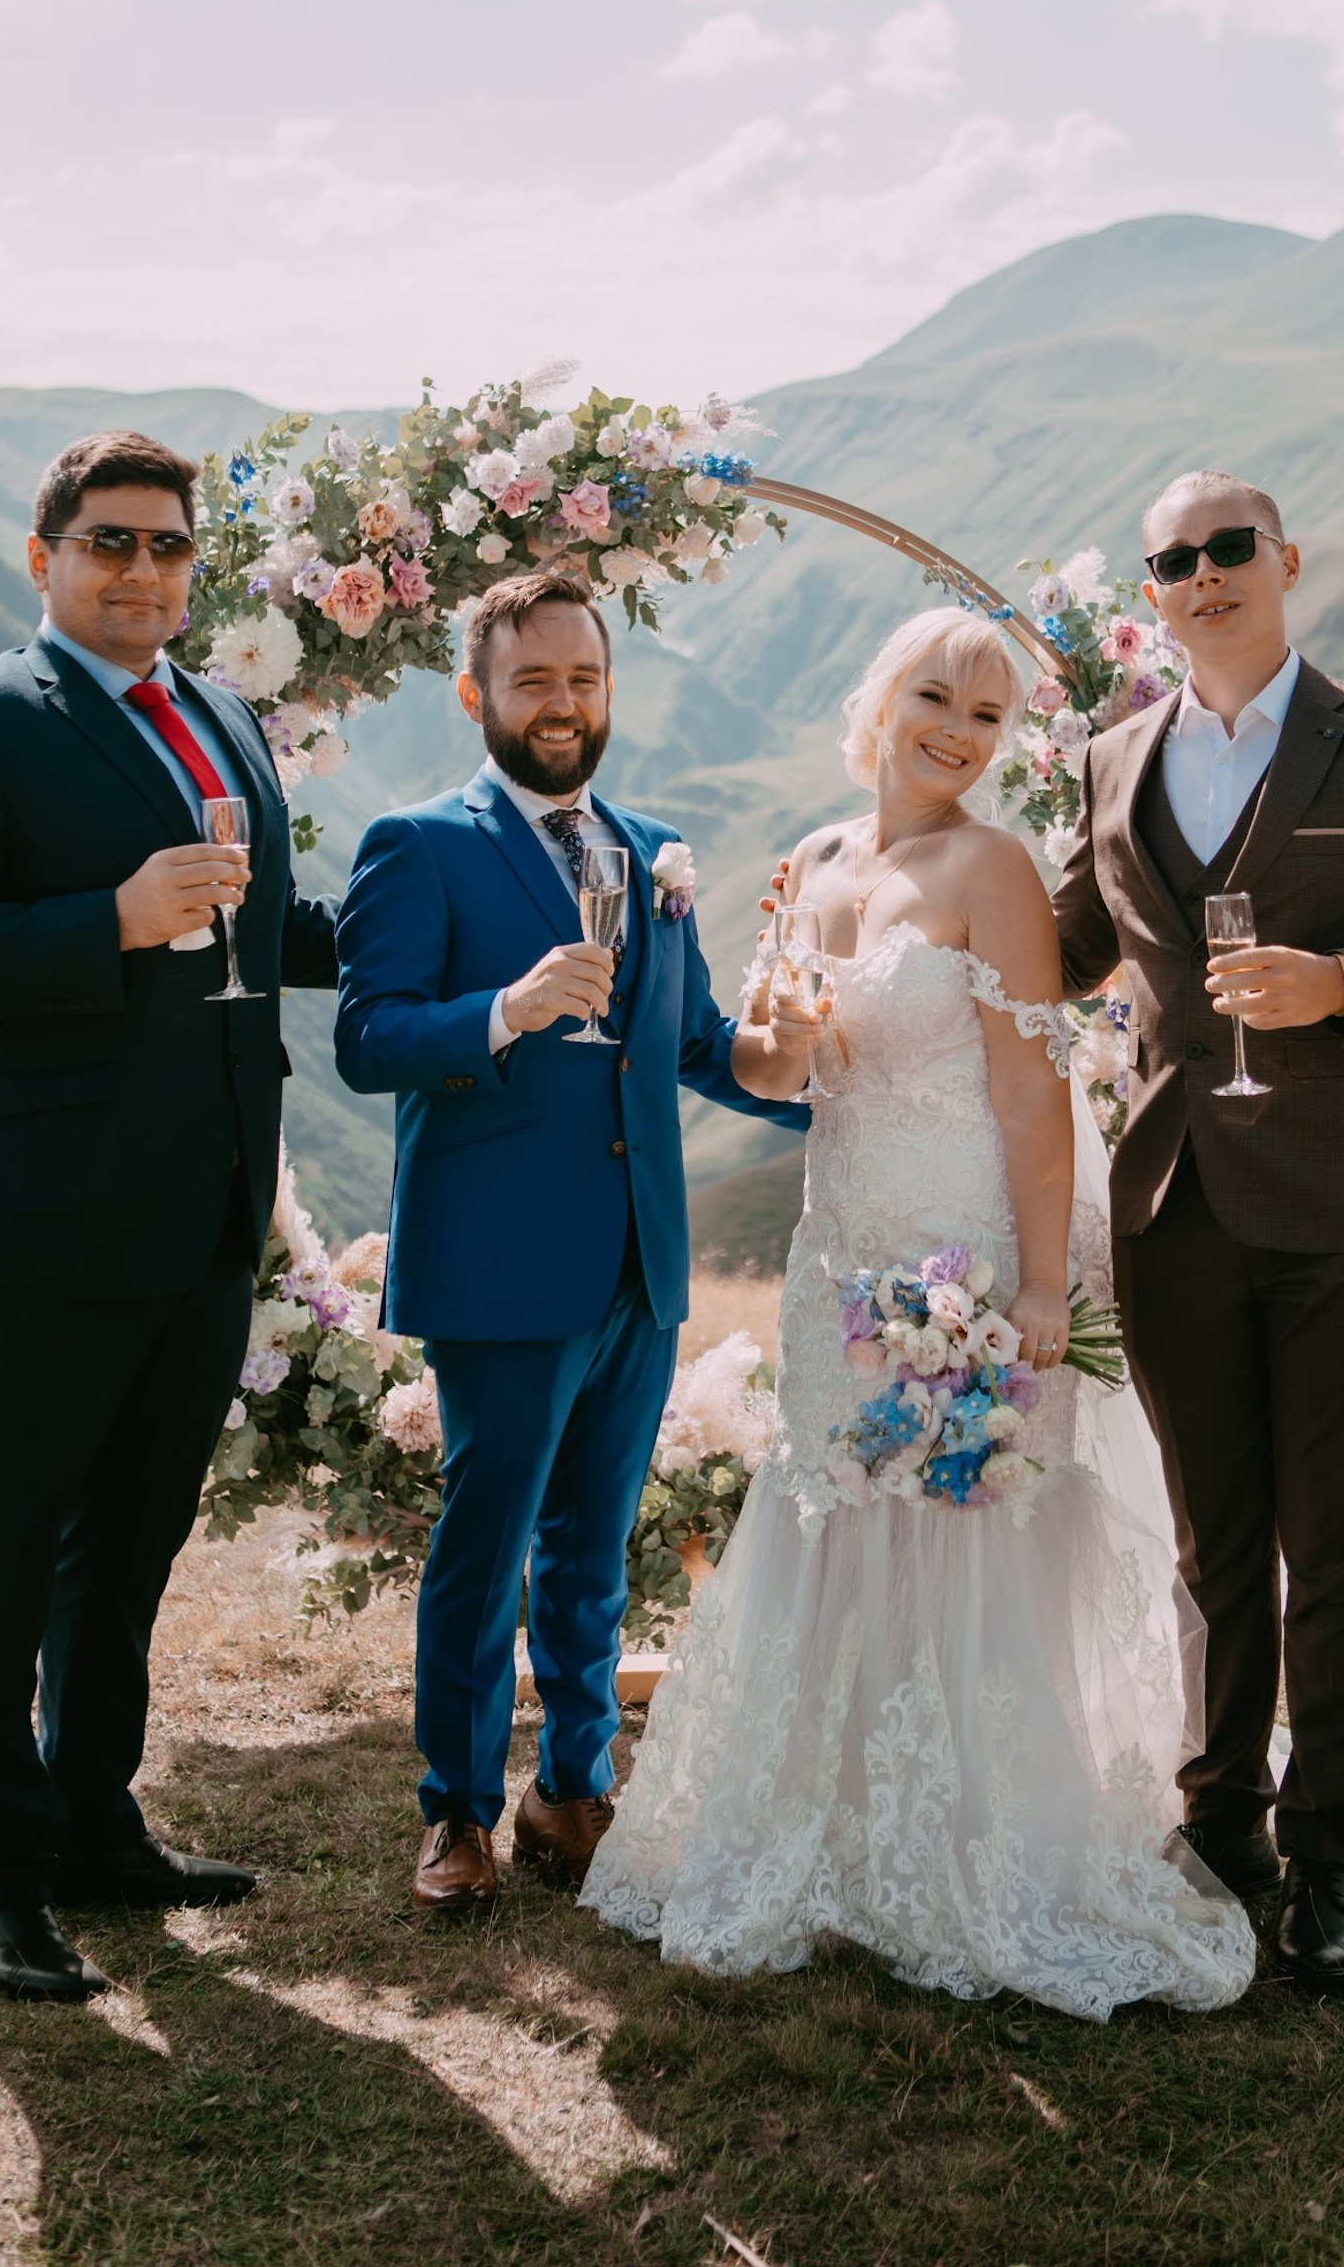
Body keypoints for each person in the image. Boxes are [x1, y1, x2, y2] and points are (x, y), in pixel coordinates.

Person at [581, 609, 1255, 2019]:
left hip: (959, 1252)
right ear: (882, 695)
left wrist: (1028, 1286)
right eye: (935, 696)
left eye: (986, 716)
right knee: (839, 1503)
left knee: (959, 1520)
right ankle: (829, 1835)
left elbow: (1027, 1087)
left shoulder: (991, 867)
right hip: (840, 1247)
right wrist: (779, 1027)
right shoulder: (821, 859)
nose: (956, 730)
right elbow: (774, 1067)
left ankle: (965, 1849)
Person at [0, 431, 340, 2003]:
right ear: (44, 553)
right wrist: (107, 922)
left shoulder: (217, 716)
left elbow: (262, 919)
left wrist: (463, 925)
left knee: (122, 1549)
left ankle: (90, 1826)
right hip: (15, 1230)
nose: (144, 572)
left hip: (196, 1226)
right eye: (111, 543)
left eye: (171, 549)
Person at [1051, 469, 1344, 1988]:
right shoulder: (1113, 759)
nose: (1203, 573)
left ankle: (1328, 1861)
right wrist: (888, 868)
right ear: (1152, 595)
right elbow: (1062, 945)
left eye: (1228, 548)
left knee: (1335, 1549)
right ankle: (1220, 1828)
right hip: (1175, 1204)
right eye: (1173, 559)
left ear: (1284, 561)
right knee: (1211, 1547)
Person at [332, 569, 810, 1914]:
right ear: (478, 695)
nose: (562, 705)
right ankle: (457, 1817)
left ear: (611, 694)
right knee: (485, 1549)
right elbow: (368, 1037)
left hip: (639, 1263)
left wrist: (829, 1083)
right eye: (534, 680)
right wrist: (505, 1008)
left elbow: (698, 1044)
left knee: (596, 1549)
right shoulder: (415, 845)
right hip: (498, 1259)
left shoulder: (654, 849)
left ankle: (572, 1791)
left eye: (584, 680)